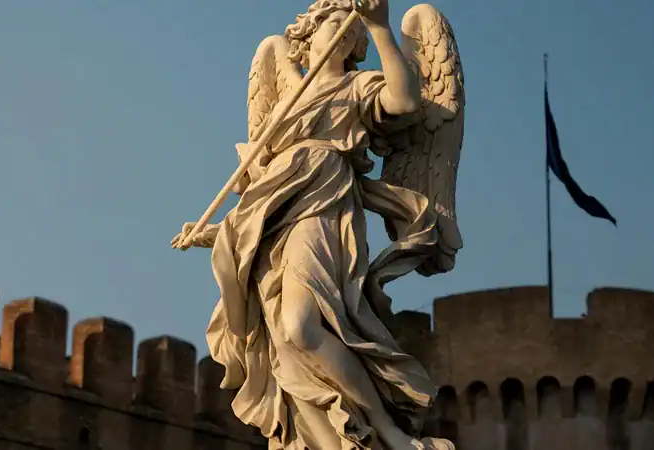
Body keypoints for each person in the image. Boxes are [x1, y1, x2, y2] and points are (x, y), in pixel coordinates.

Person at [173, 1, 460, 449]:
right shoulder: (287, 100)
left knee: (301, 327)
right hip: (271, 219)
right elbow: (261, 186)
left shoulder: (357, 86)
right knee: (282, 345)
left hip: (322, 203)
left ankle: (387, 432)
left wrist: (380, 27)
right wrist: (221, 231)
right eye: (330, 20)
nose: (340, 31)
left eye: (348, 27)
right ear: (307, 36)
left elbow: (404, 101)